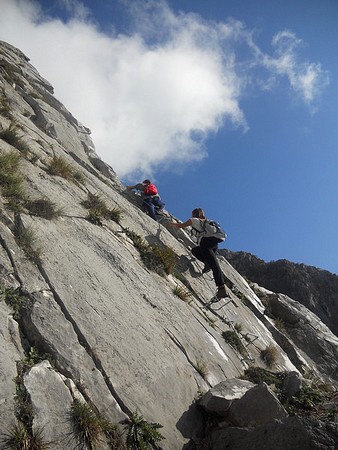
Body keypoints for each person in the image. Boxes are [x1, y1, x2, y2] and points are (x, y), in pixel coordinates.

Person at [168, 208, 229, 299]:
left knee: (214, 263)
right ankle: (207, 263)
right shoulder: (206, 221)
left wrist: (170, 223)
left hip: (206, 242)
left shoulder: (194, 220)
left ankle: (221, 288)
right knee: (195, 251)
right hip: (214, 243)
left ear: (194, 215)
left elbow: (180, 226)